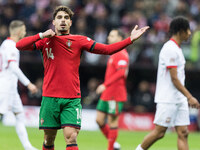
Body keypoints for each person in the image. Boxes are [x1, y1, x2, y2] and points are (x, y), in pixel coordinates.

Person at [16, 5, 149, 150]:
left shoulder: (78, 40)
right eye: (59, 17)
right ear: (53, 22)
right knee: (48, 139)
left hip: (71, 99)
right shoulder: (45, 41)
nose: (63, 20)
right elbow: (19, 45)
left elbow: (107, 49)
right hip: (50, 97)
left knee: (71, 137)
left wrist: (130, 39)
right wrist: (41, 35)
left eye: (66, 18)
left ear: (71, 23)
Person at [135, 16, 200, 150]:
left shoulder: (177, 49)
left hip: (179, 99)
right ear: (181, 31)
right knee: (159, 133)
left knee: (183, 133)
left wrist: (184, 97)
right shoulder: (169, 48)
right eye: (188, 30)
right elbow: (174, 78)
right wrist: (189, 96)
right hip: (168, 98)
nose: (189, 33)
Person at [0, 20, 38, 150]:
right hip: (5, 87)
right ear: (18, 31)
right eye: (24, 30)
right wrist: (28, 84)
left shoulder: (6, 44)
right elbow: (12, 66)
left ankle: (28, 146)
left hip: (10, 87)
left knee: (19, 115)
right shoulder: (11, 45)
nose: (25, 33)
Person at [95, 29, 129, 150]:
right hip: (107, 93)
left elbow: (121, 72)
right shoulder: (114, 53)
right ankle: (113, 144)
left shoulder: (121, 53)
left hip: (115, 93)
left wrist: (105, 84)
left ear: (120, 38)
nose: (109, 37)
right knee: (99, 120)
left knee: (112, 122)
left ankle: (111, 147)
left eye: (112, 35)